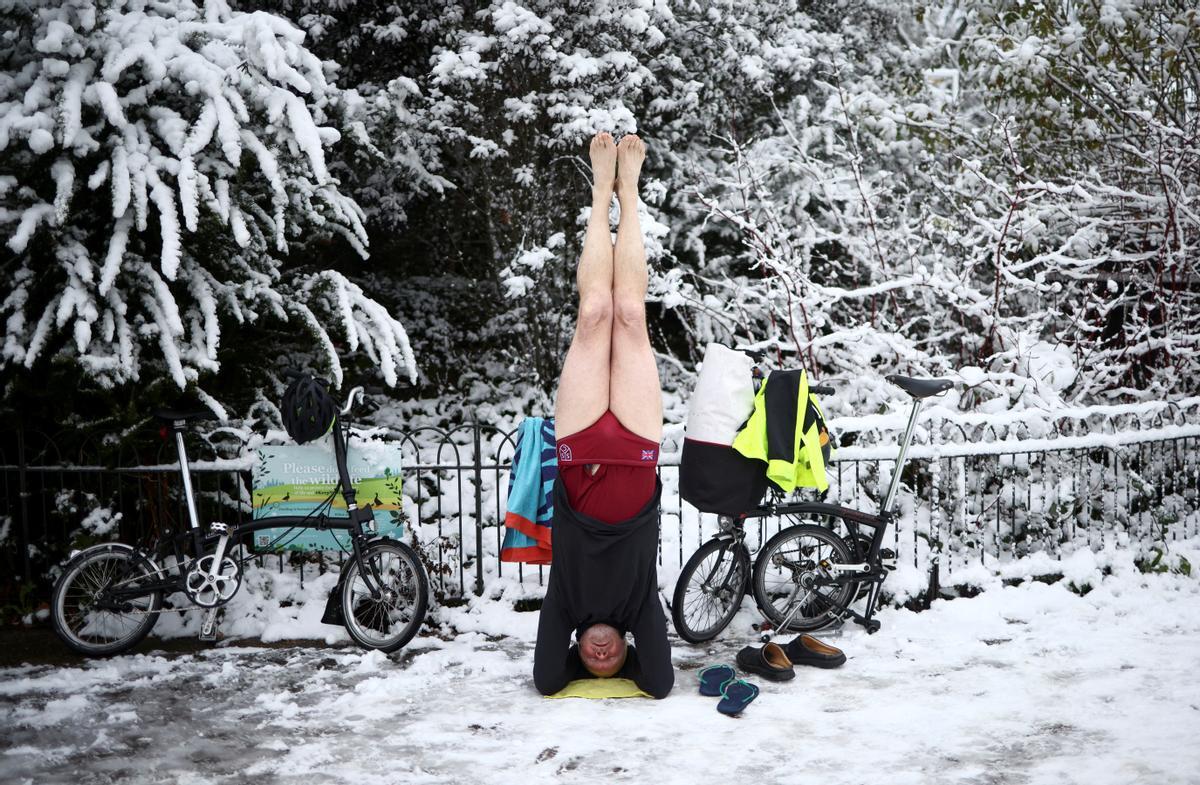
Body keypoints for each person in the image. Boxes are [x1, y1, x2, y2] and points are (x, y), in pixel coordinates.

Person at [532, 131, 674, 699]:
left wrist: (567, 666)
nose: (600, 656)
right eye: (612, 662)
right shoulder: (638, 606)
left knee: (594, 312)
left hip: (580, 450)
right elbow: (660, 682)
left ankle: (599, 193)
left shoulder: (565, 601)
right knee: (630, 314)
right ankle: (629, 193)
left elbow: (546, 679)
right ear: (626, 649)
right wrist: (637, 666)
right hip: (637, 453)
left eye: (592, 665)